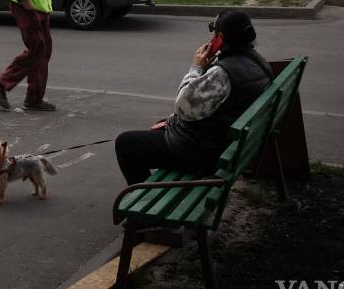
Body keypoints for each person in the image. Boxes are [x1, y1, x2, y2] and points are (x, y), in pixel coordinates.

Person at [114, 10, 273, 184]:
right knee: (161, 126)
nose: (211, 35)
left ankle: (141, 198)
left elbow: (182, 108)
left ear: (220, 37)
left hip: (203, 155)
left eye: (213, 29)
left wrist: (196, 68)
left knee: (126, 144)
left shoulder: (221, 73)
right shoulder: (258, 61)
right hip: (226, 146)